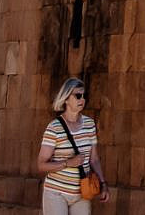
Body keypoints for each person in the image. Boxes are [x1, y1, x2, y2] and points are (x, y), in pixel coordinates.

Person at [37, 77, 106, 212]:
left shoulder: (89, 124)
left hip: (82, 191)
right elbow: (41, 165)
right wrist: (68, 163)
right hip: (56, 193)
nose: (82, 99)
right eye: (78, 95)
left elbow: (94, 159)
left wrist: (103, 184)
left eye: (84, 95)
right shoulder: (54, 128)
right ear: (66, 99)